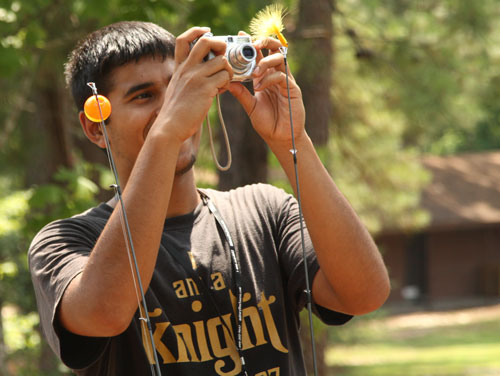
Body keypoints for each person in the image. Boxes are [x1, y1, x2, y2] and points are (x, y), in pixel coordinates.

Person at [28, 21, 390, 376]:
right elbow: (102, 313)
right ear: (96, 127)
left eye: (178, 89)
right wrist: (166, 133)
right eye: (144, 96)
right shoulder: (65, 242)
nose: (171, 107)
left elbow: (365, 294)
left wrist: (291, 142)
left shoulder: (265, 211)